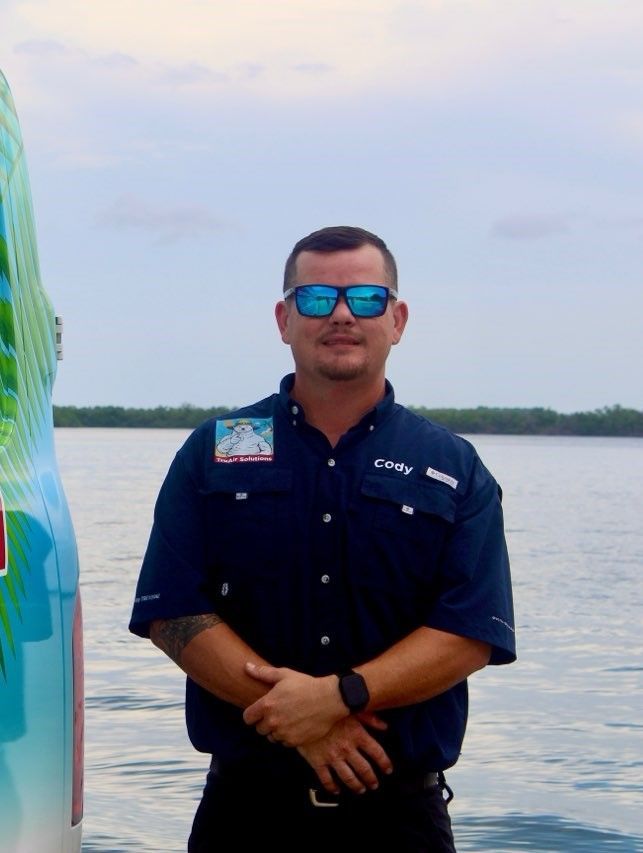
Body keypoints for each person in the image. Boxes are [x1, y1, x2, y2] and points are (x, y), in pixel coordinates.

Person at [129, 225, 516, 851]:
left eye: (365, 298)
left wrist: (339, 697)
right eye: (315, 299)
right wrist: (299, 724)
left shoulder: (453, 466)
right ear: (284, 319)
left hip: (400, 820)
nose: (341, 314)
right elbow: (171, 611)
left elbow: (472, 630)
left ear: (398, 319)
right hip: (245, 814)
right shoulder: (216, 450)